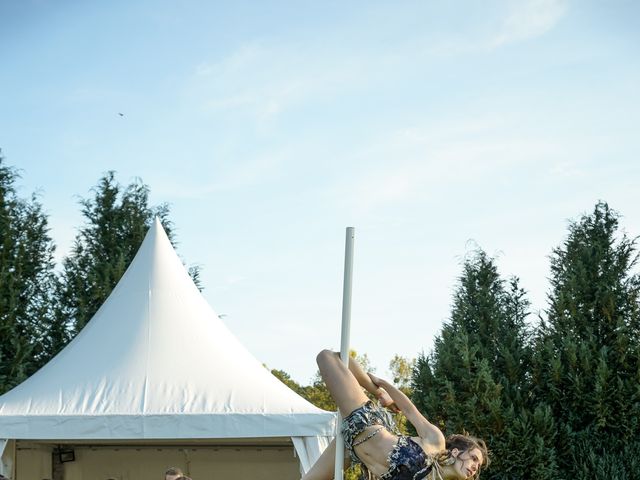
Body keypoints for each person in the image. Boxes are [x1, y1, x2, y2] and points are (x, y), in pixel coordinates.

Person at [302, 350, 488, 480]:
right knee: (328, 357)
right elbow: (409, 410)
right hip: (365, 421)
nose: (474, 467)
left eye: (478, 466)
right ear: (456, 452)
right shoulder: (435, 441)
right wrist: (382, 389)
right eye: (473, 458)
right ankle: (374, 390)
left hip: (354, 449)